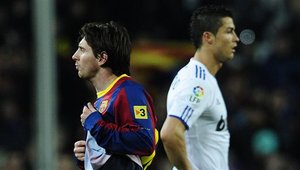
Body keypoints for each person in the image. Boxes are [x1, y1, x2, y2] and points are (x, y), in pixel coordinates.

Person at [160, 5, 239, 170]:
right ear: (208, 37)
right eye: (229, 31)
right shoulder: (197, 82)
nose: (236, 38)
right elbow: (170, 133)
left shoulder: (202, 77)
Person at [72, 21, 158, 170]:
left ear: (101, 58)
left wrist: (97, 126)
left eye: (82, 50)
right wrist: (90, 153)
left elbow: (144, 140)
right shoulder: (102, 100)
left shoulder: (129, 91)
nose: (75, 56)